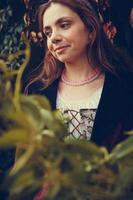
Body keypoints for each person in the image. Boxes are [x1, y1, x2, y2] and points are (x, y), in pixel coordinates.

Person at [24, 0, 133, 152]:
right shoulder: (37, 92)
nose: (53, 38)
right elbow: (26, 159)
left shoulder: (126, 86)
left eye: (64, 25)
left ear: (91, 31)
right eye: (48, 33)